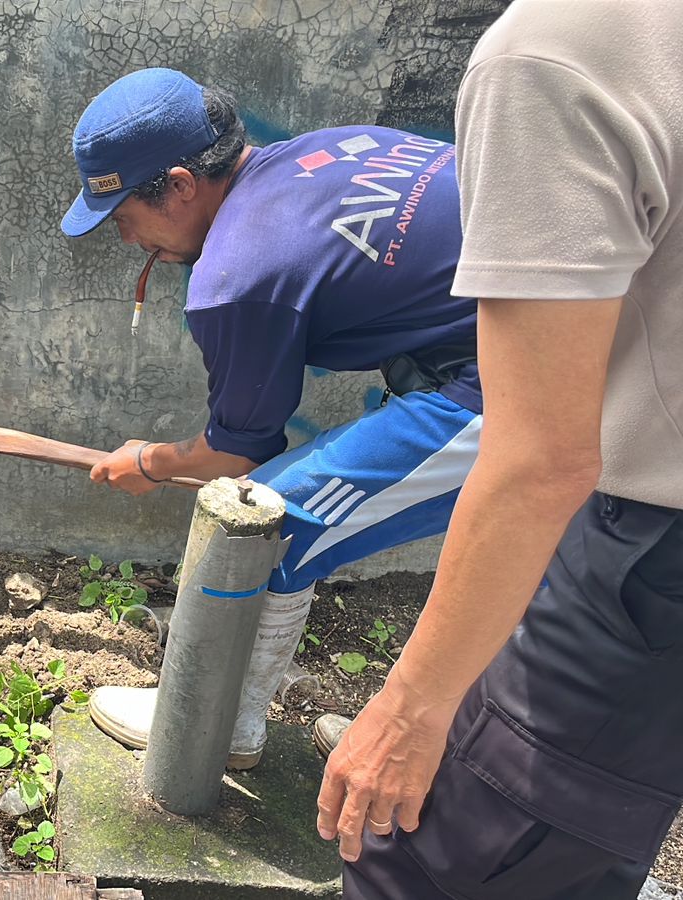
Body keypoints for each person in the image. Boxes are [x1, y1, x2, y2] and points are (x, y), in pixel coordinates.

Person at [317, 2, 683, 896]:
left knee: (426, 864)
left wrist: (408, 710)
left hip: (651, 543)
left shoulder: (550, 53)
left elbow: (543, 459)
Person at [61, 69, 483, 771]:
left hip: (528, 383)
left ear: (180, 185)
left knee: (267, 524)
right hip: (566, 331)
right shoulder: (334, 147)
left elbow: (236, 458)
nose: (129, 240)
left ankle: (213, 728)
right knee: (541, 567)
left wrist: (148, 463)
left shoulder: (237, 275)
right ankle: (446, 751)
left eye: (125, 216)